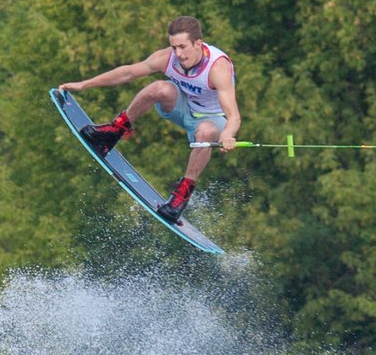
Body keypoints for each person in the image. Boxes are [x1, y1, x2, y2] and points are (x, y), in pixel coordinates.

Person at [57, 16, 241, 223]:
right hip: (181, 108)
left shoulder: (217, 68)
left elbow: (234, 116)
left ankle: (181, 197)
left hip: (211, 120)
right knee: (158, 88)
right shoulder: (168, 58)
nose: (178, 54)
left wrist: (227, 135)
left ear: (198, 44)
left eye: (182, 47)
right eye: (174, 47)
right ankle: (114, 131)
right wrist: (85, 84)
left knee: (206, 131)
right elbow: (127, 73)